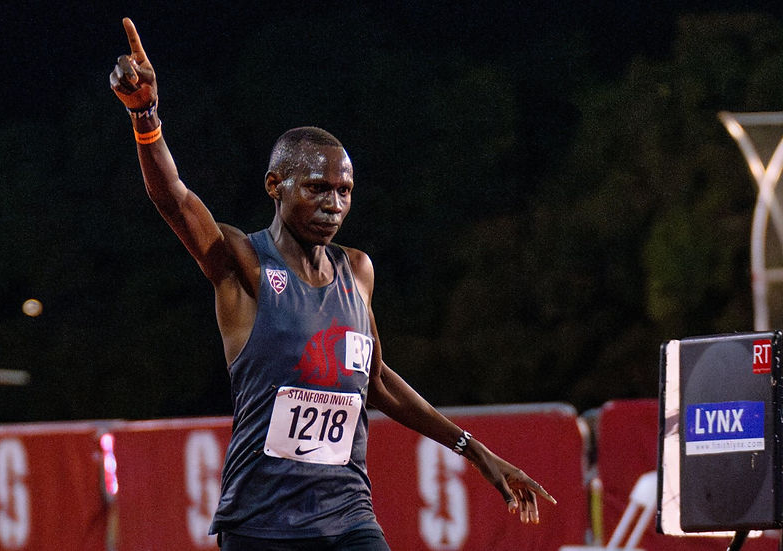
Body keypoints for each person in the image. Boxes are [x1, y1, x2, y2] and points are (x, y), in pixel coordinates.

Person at [110, 17, 555, 550]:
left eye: (345, 191)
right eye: (318, 189)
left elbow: (379, 383)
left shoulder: (357, 271)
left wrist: (480, 454)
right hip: (260, 526)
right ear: (275, 185)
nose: (335, 205)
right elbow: (175, 200)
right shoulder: (243, 264)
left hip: (348, 517)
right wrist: (146, 116)